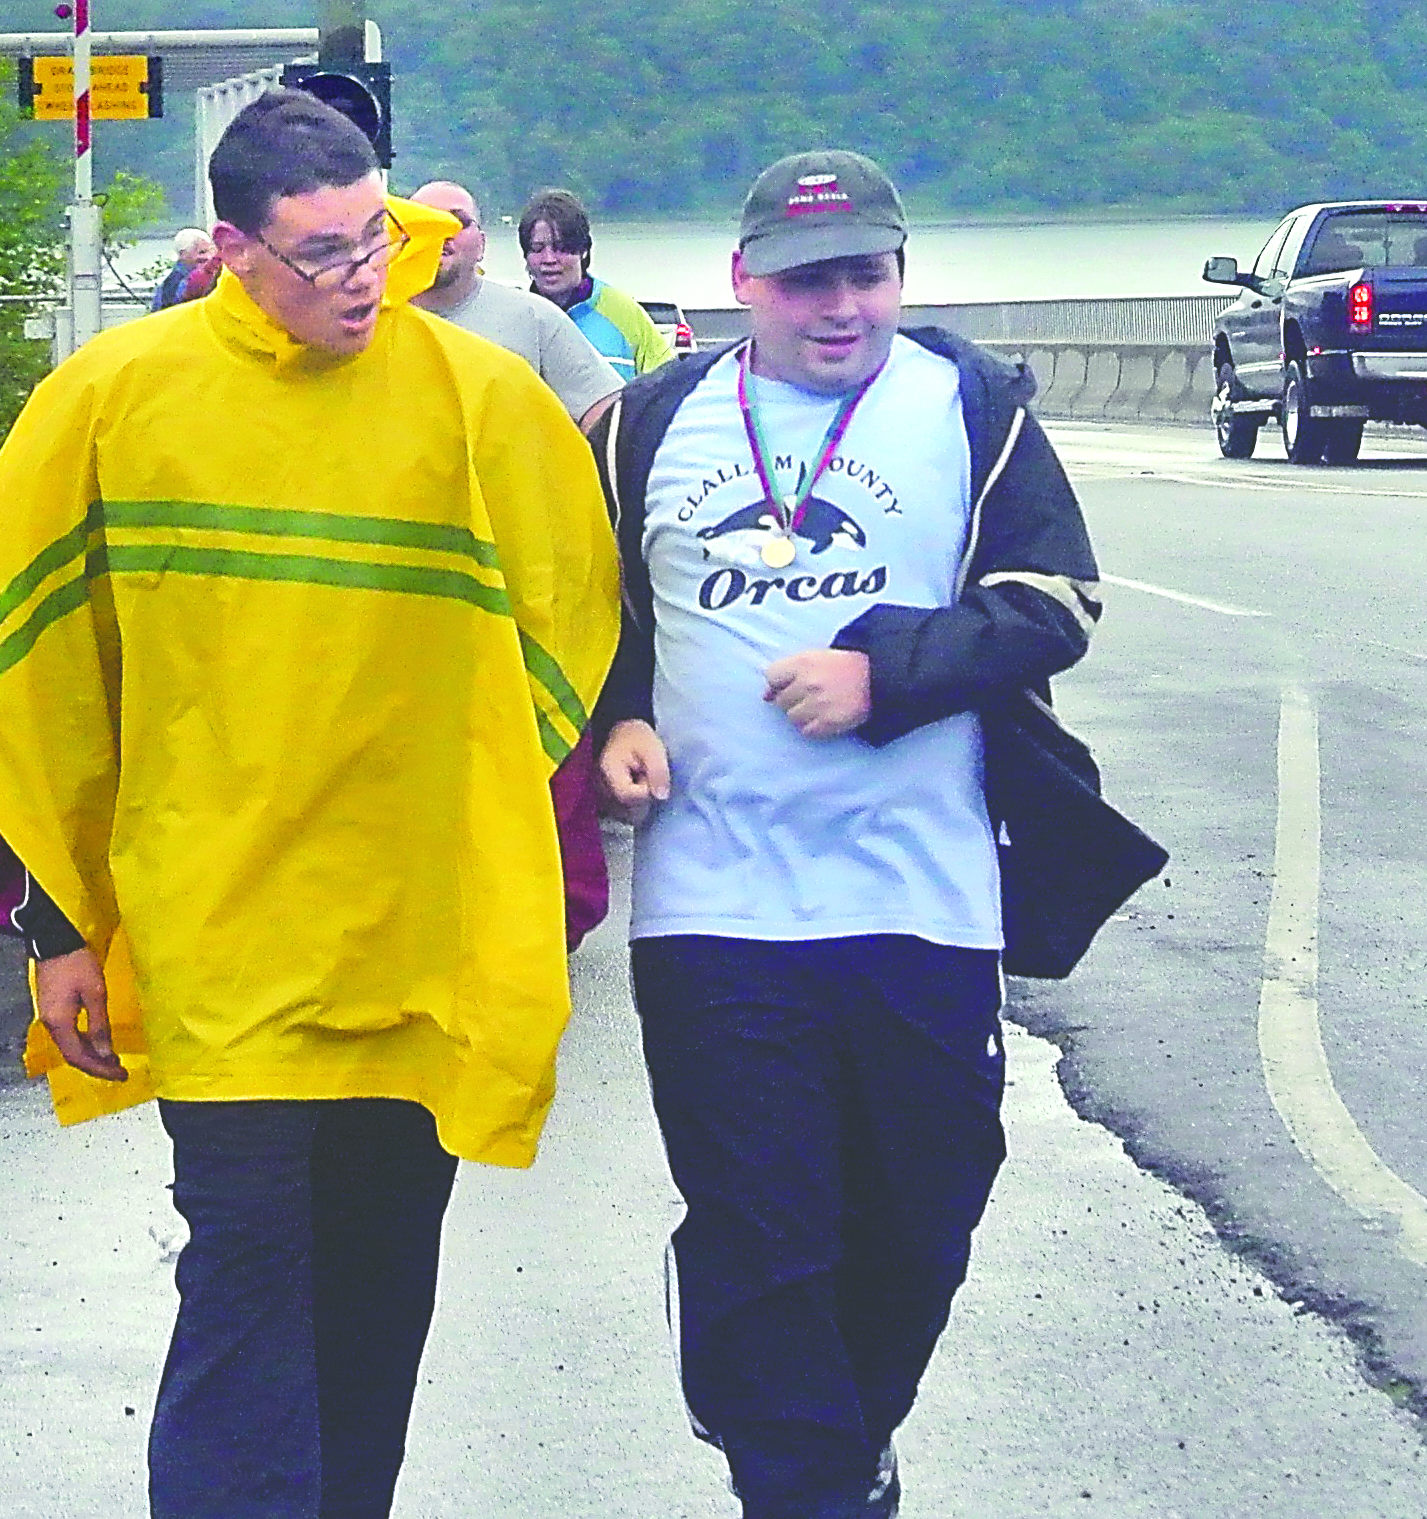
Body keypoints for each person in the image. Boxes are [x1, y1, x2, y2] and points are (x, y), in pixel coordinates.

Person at [0, 88, 619, 1519]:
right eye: (323, 254)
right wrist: (50, 926)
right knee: (243, 1269)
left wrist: (548, 872)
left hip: (414, 929)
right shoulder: (115, 400)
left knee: (376, 1285)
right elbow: (18, 673)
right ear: (233, 247)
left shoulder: (482, 402)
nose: (363, 279)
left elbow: (574, 645)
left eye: (380, 240)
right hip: (216, 932)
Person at [594, 149, 1100, 1519]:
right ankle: (799, 1479)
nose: (840, 308)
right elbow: (589, 623)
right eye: (808, 280)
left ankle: (836, 1438)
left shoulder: (969, 405)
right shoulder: (646, 423)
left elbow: (1059, 601)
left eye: (865, 276)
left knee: (921, 1217)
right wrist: (614, 723)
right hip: (715, 907)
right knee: (763, 1227)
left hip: (921, 898)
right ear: (742, 282)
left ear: (900, 277)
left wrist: (890, 673)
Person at [408, 178, 624, 437]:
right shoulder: (368, 319)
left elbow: (605, 412)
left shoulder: (535, 318)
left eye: (458, 222)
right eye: (425, 220)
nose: (442, 233)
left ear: (482, 244)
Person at [518, 186, 672, 381]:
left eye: (561, 248)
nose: (549, 259)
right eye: (537, 249)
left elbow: (669, 387)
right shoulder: (517, 318)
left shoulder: (624, 314)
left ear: (583, 250)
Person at [151, 227, 218, 309]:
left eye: (210, 251)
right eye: (202, 252)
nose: (208, 257)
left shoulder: (166, 281)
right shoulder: (181, 283)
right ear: (183, 254)